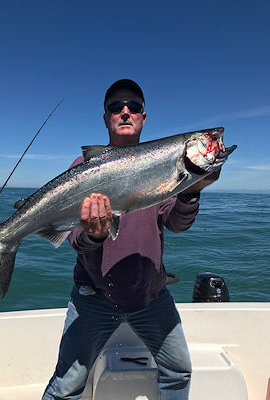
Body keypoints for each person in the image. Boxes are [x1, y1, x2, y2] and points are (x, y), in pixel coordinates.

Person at [42, 79, 220, 400]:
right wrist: (93, 236)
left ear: (143, 117)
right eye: (116, 107)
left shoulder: (164, 166)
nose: (125, 112)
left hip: (153, 296)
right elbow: (75, 239)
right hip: (92, 297)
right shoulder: (83, 168)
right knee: (65, 388)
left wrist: (191, 190)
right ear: (106, 117)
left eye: (133, 107)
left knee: (178, 371)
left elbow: (176, 223)